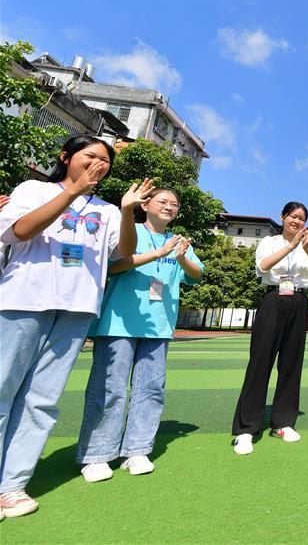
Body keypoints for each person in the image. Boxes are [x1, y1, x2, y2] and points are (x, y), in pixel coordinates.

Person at [0, 135, 152, 518]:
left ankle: (12, 486)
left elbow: (124, 252)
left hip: (77, 308)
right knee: (2, 389)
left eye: (106, 160)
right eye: (91, 155)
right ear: (66, 157)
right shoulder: (34, 189)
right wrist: (73, 192)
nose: (99, 163)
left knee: (41, 399)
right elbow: (20, 230)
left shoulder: (107, 210)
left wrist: (127, 211)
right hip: (23, 301)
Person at [76, 188, 204, 482]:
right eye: (163, 201)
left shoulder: (179, 241)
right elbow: (113, 266)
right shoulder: (129, 230)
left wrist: (181, 258)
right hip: (119, 323)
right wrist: (157, 254)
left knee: (151, 388)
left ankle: (137, 449)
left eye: (174, 204)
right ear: (145, 205)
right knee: (110, 387)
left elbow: (196, 274)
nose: (169, 207)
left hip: (159, 326)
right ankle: (97, 454)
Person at [231, 202, 308, 455]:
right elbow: (262, 267)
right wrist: (291, 246)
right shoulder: (270, 241)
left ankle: (283, 423)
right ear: (283, 217)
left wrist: (306, 247)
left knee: (291, 364)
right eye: (293, 216)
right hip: (274, 299)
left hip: (299, 300)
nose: (297, 221)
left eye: (302, 218)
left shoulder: (307, 244)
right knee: (260, 362)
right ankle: (245, 429)